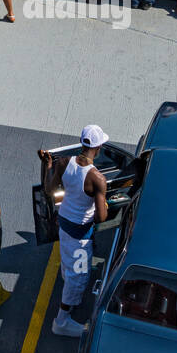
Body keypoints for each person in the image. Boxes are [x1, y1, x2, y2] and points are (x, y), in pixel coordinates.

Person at [38, 124, 110, 337]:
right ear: (98, 147)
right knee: (79, 276)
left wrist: (48, 167)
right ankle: (62, 321)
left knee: (68, 264)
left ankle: (66, 282)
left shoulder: (63, 162)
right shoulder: (97, 178)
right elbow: (101, 217)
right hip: (80, 235)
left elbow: (50, 190)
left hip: (64, 224)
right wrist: (105, 203)